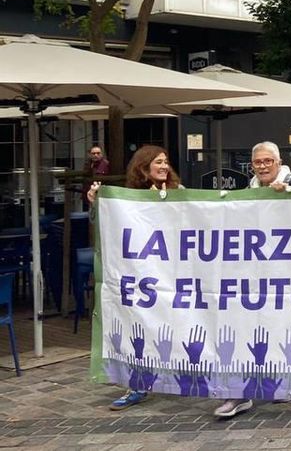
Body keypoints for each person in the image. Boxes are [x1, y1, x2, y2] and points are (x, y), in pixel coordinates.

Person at [88, 145, 180, 412]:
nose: (164, 166)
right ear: (144, 166)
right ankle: (137, 384)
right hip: (142, 276)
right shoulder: (128, 199)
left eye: (166, 161)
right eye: (158, 162)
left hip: (173, 275)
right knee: (140, 327)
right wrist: (97, 204)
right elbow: (106, 227)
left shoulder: (179, 191)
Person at [214, 141, 291, 419]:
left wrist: (288, 196)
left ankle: (279, 382)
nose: (262, 167)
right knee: (243, 329)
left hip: (285, 275)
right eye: (258, 162)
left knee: (279, 328)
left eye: (267, 161)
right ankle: (238, 392)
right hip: (251, 274)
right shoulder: (247, 191)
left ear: (279, 162)